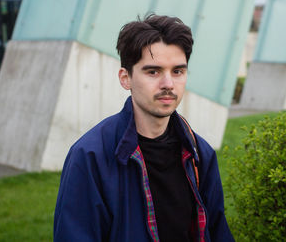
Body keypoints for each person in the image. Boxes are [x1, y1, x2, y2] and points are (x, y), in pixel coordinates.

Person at [54, 14, 234, 242]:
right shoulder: (90, 156)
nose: (168, 84)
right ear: (125, 78)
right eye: (153, 72)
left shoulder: (200, 153)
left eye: (177, 71)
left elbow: (218, 233)